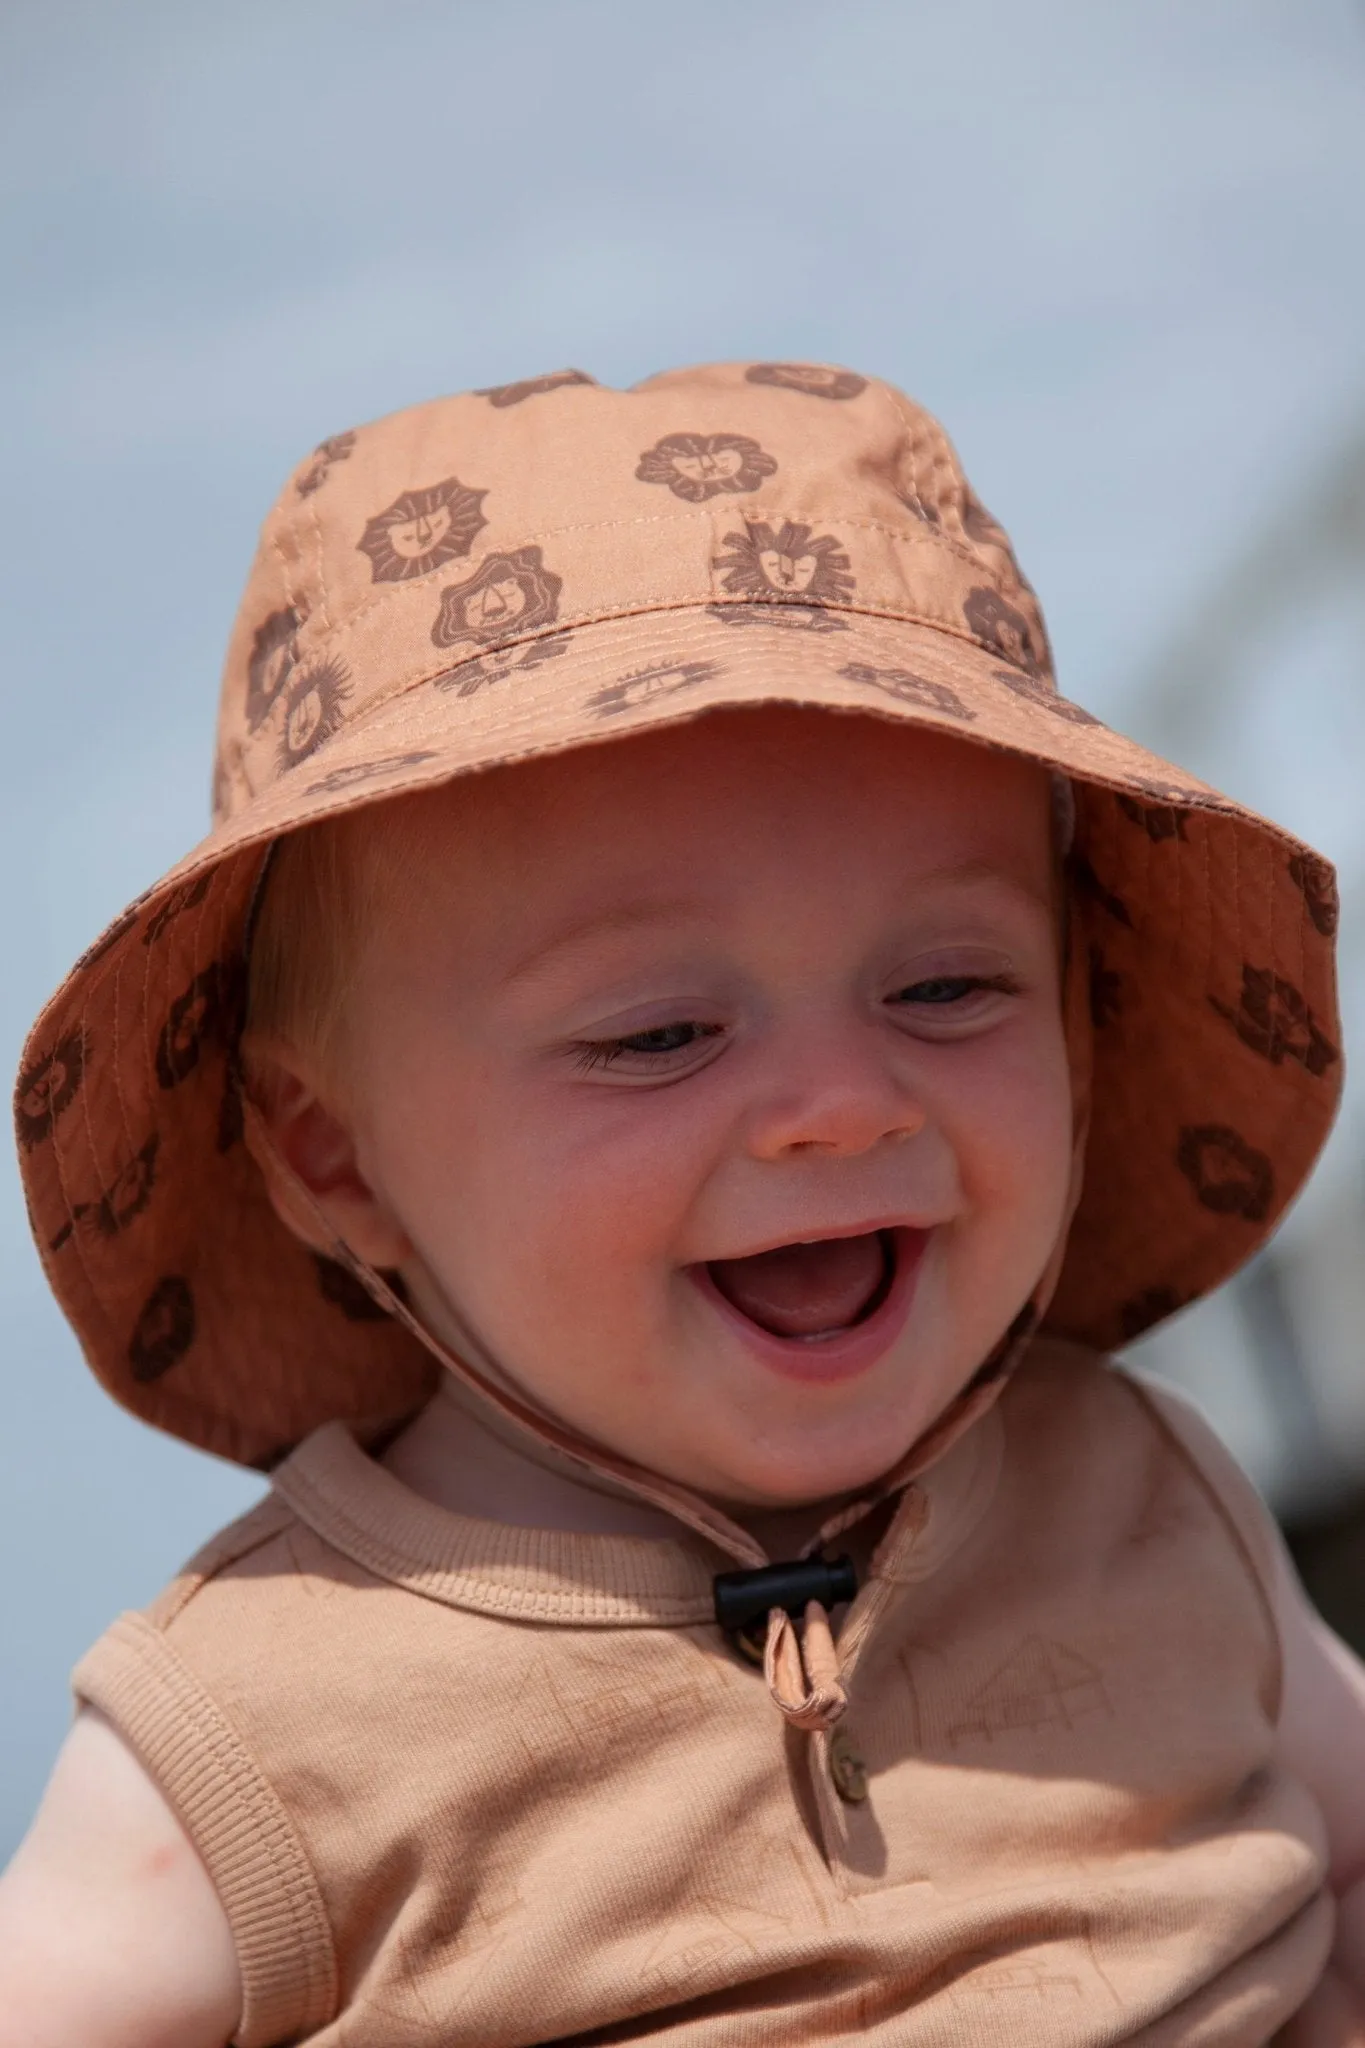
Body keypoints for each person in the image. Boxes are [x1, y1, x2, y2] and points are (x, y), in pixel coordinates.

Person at [3, 360, 1363, 2048]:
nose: (839, 1105)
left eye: (948, 987)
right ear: (334, 1156)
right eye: (658, 1034)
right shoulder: (256, 1731)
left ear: (1081, 1017)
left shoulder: (1148, 1502)